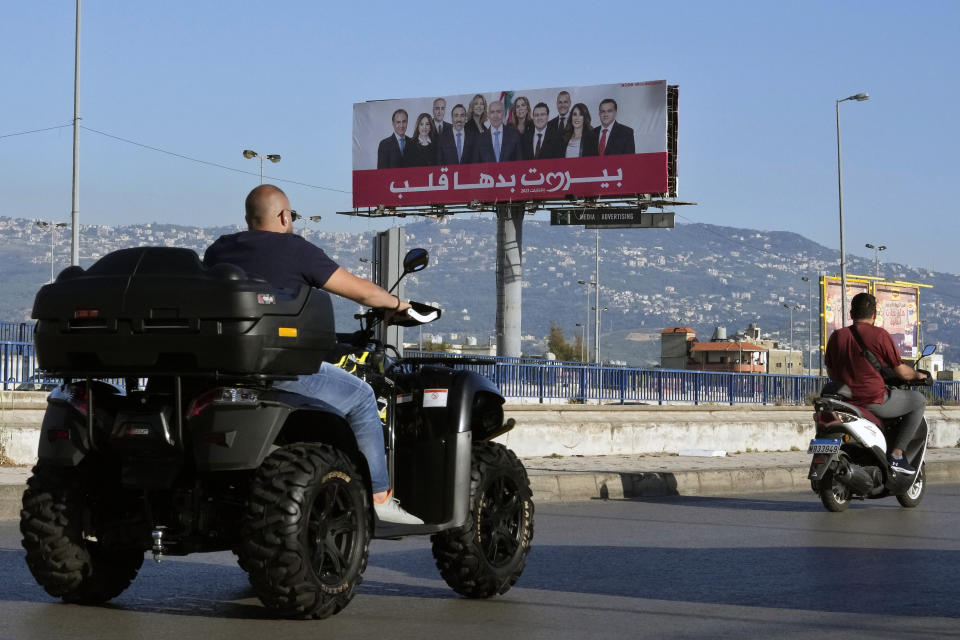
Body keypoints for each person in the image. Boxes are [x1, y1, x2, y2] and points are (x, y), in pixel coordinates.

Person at [203, 184, 424, 524]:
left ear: (248, 219)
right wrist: (400, 305)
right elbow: (360, 292)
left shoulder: (219, 250)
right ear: (284, 216)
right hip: (280, 369)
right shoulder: (294, 249)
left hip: (226, 369)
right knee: (363, 395)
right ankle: (379, 496)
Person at [825, 292, 928, 474]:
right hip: (872, 400)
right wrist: (918, 375)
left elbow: (831, 371)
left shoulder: (836, 337)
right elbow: (901, 372)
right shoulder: (879, 335)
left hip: (844, 400)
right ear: (874, 314)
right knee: (918, 400)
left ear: (851, 312)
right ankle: (897, 454)